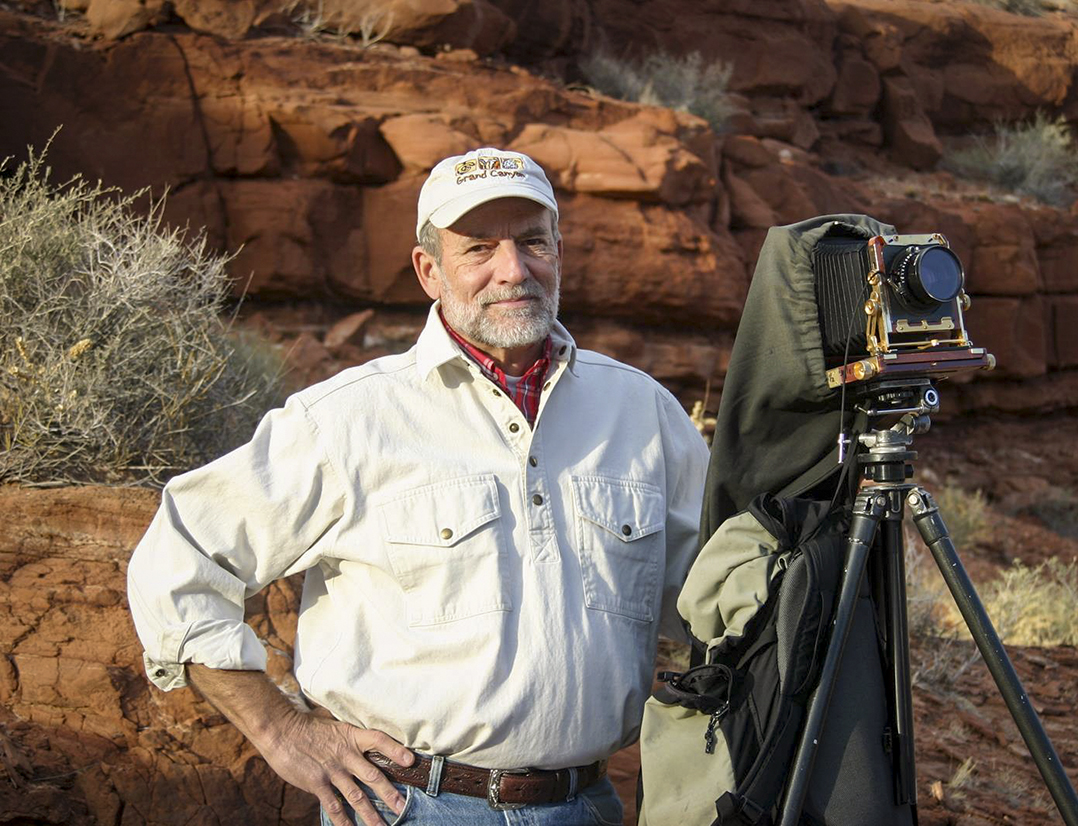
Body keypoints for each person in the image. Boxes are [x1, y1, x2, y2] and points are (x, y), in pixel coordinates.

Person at [127, 148, 711, 826]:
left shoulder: (642, 414)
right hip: (409, 807)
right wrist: (281, 730)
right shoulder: (346, 420)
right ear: (429, 270)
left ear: (560, 252)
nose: (513, 270)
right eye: (478, 249)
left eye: (532, 243)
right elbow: (181, 558)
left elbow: (713, 602)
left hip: (590, 805)